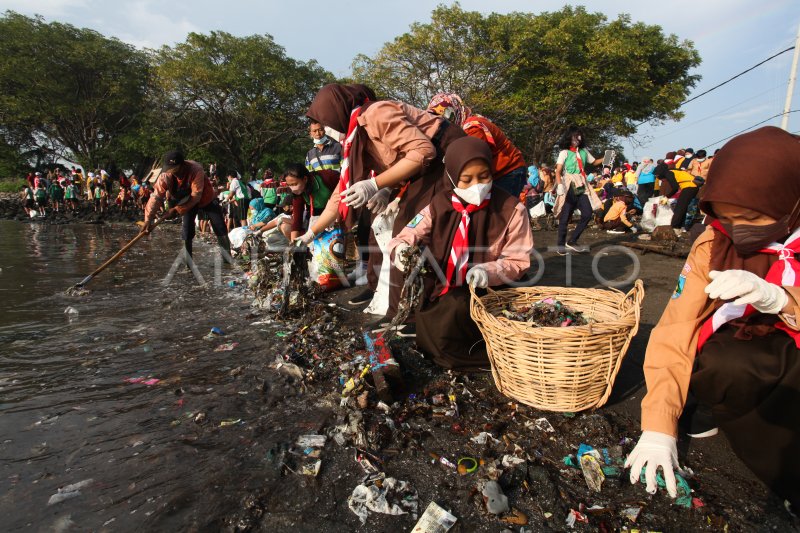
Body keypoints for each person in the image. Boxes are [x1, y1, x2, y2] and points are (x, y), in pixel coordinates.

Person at [626, 126, 800, 513]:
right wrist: (658, 424)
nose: (738, 230)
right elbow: (677, 325)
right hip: (749, 348)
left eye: (751, 217)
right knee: (727, 363)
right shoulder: (714, 243)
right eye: (726, 216)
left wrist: (781, 298)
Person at [302, 83, 466, 319]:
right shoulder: (355, 139)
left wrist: (376, 184)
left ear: (336, 111)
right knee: (383, 228)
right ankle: (398, 305)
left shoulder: (375, 114)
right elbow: (341, 192)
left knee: (411, 230)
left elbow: (423, 151)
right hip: (424, 168)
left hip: (445, 154)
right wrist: (311, 233)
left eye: (325, 123)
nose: (325, 131)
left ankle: (421, 311)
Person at [387, 136, 533, 361]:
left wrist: (488, 271)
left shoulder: (512, 210)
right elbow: (408, 234)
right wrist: (401, 251)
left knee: (457, 311)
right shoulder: (438, 205)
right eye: (467, 179)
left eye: (484, 177)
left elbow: (518, 260)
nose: (477, 186)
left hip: (488, 288)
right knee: (433, 315)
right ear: (453, 177)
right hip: (444, 283)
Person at [426, 92, 527, 198]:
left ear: (455, 111)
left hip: (508, 171)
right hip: (499, 172)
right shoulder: (465, 127)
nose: (441, 122)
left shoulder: (472, 128)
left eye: (445, 116)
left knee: (501, 211)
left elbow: (471, 157)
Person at [141, 150, 232, 262]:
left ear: (182, 165)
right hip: (185, 201)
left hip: (205, 198)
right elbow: (156, 197)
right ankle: (188, 263)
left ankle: (227, 260)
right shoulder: (165, 175)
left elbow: (196, 195)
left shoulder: (195, 170)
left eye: (176, 170)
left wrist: (177, 209)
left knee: (219, 225)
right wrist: (148, 219)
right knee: (187, 230)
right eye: (171, 171)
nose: (174, 173)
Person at [553, 126, 603, 254]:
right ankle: (560, 245)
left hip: (581, 184)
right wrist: (559, 185)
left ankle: (572, 240)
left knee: (587, 213)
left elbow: (595, 162)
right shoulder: (564, 152)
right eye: (576, 136)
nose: (578, 139)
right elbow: (558, 171)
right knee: (565, 217)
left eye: (579, 136)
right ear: (570, 137)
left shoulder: (584, 152)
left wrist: (606, 157)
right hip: (569, 184)